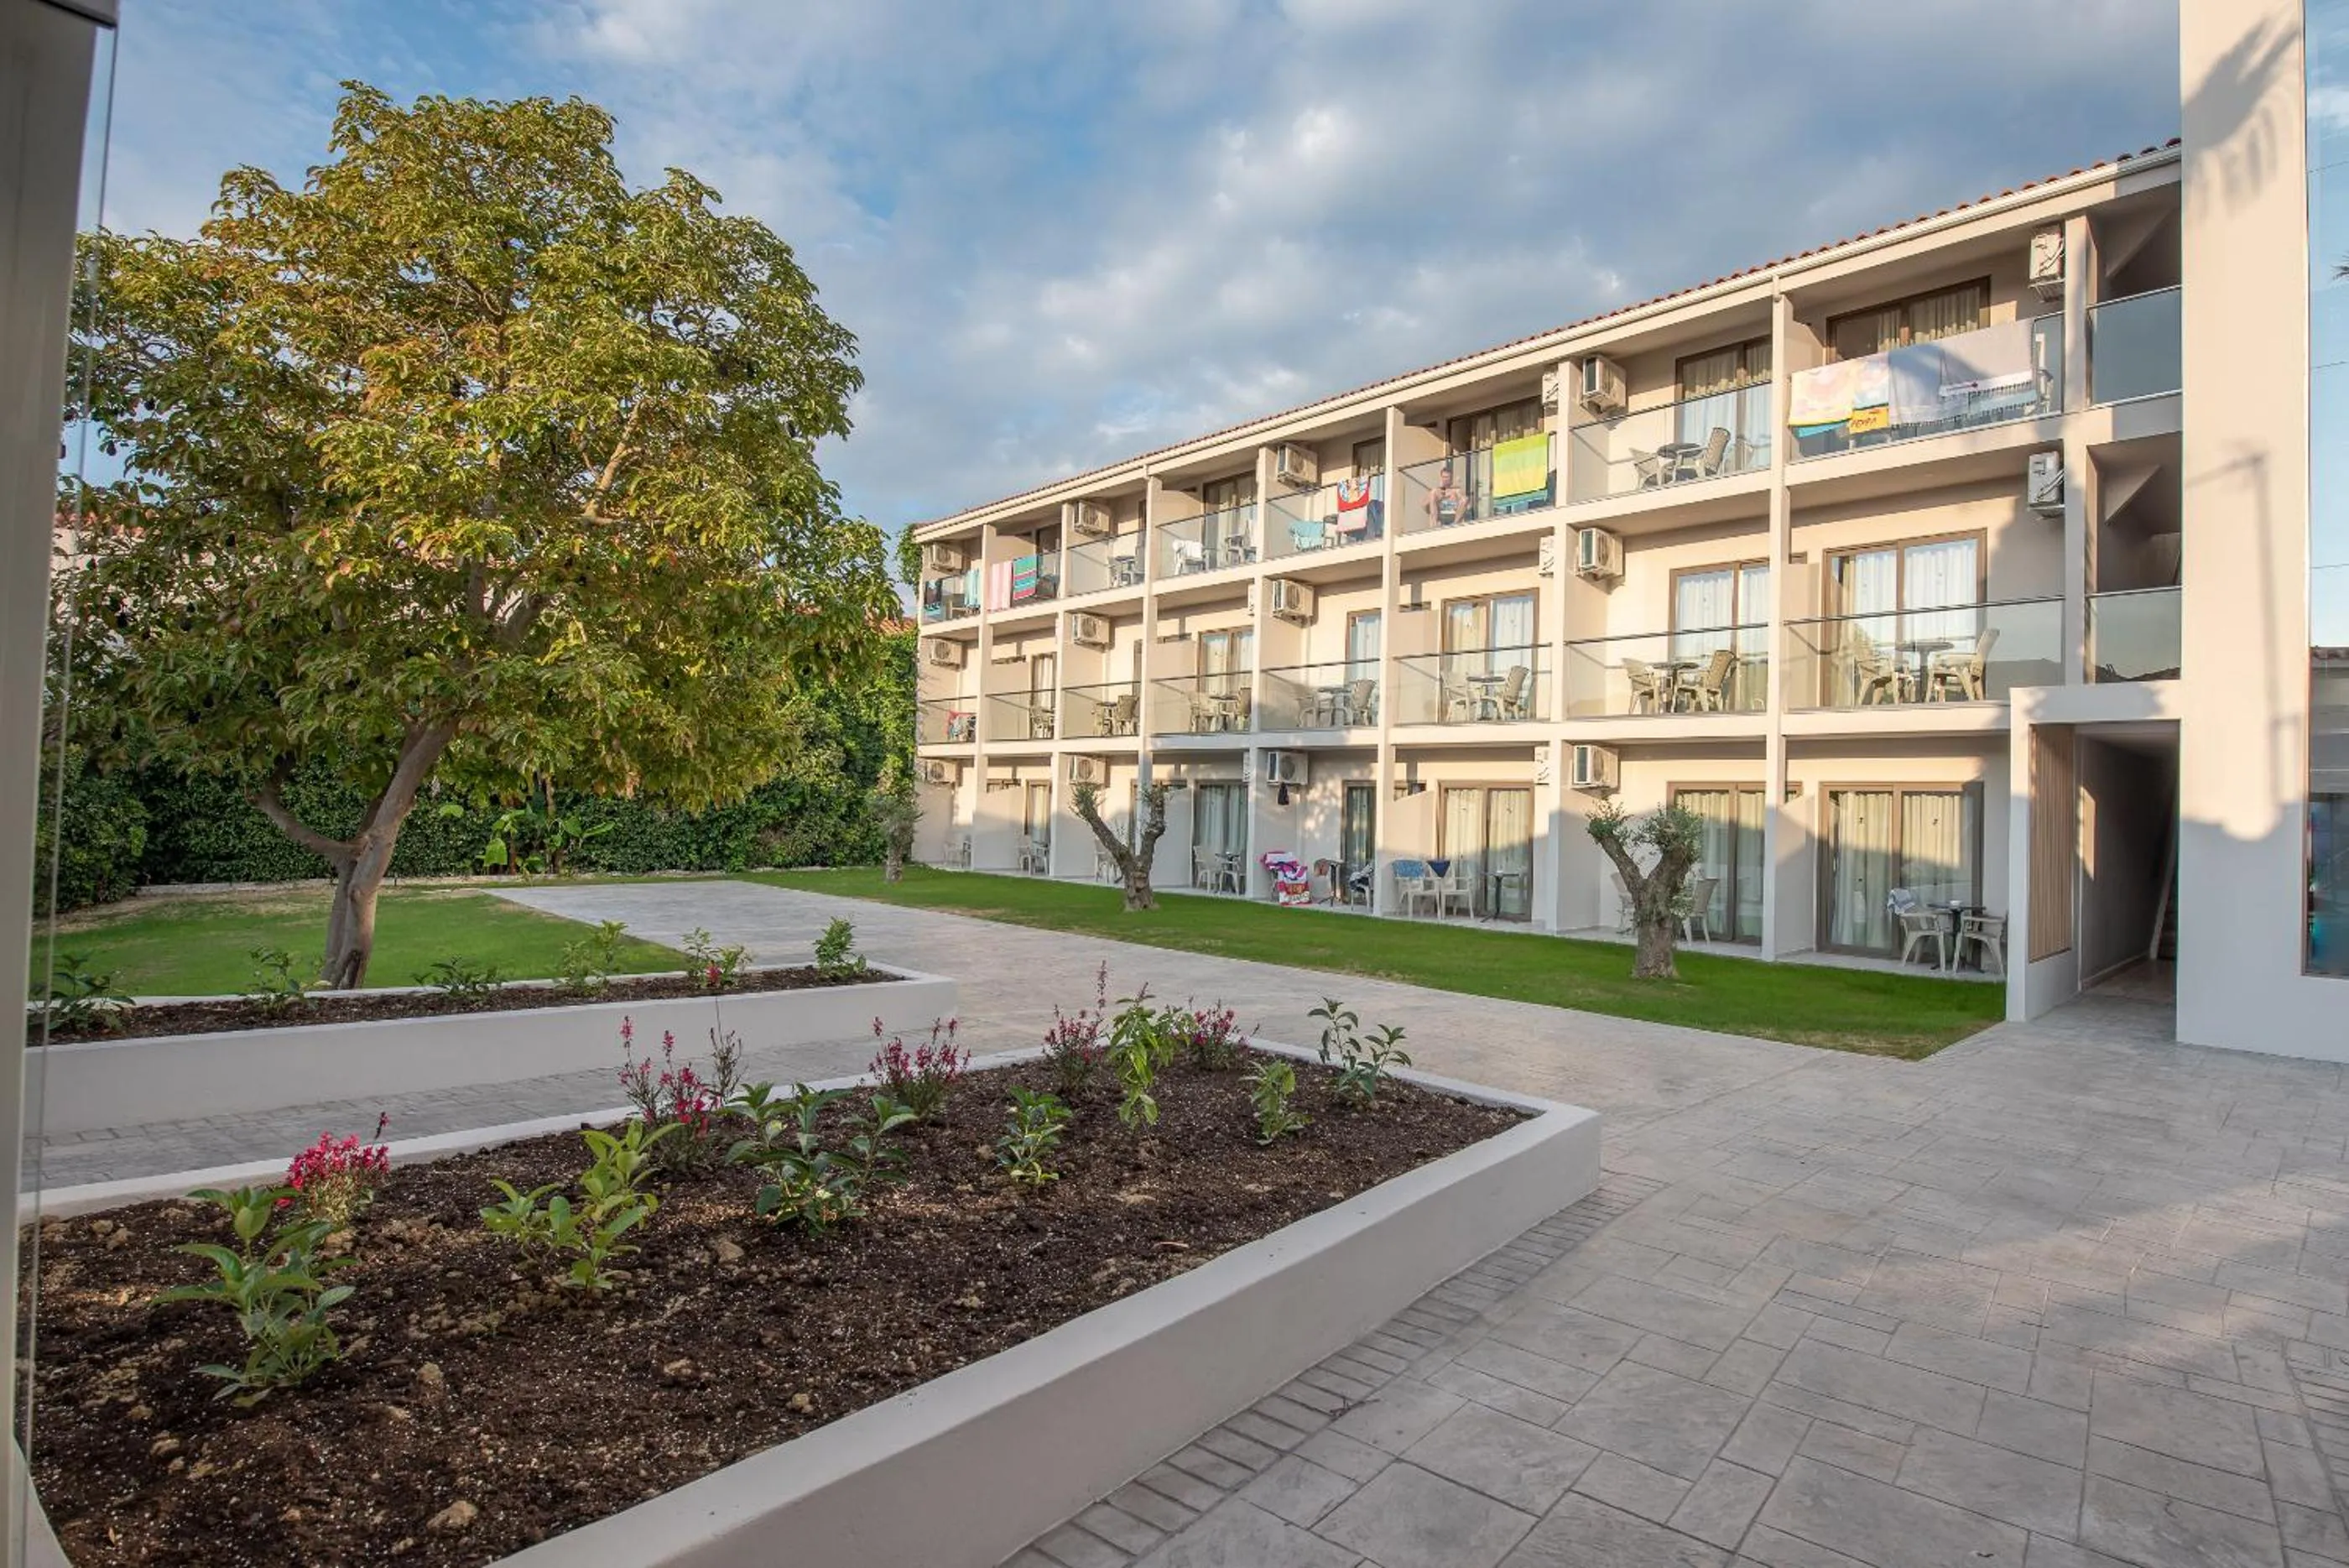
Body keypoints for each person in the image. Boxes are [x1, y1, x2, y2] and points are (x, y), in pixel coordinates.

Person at [1425, 463, 1467, 529]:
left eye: (1447, 477)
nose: (1445, 479)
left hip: (1453, 514)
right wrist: (1439, 498)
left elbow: (1464, 501)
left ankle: (1455, 524)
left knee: (1464, 499)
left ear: (1451, 478)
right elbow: (1424, 505)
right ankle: (1434, 526)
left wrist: (1453, 496)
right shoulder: (1437, 491)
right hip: (1441, 514)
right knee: (1433, 493)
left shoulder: (1456, 490)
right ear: (1441, 477)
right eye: (1444, 477)